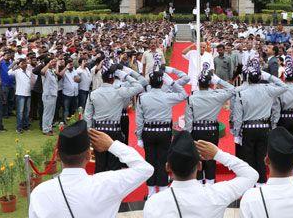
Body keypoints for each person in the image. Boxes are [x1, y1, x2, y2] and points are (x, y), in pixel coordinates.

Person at [29, 120, 154, 218]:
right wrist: (112, 145)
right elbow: (145, 169)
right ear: (89, 155)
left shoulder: (40, 193)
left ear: (57, 156)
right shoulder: (106, 183)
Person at [143, 132, 258, 218]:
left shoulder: (154, 203)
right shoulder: (217, 194)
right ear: (199, 166)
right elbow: (251, 175)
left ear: (168, 167)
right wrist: (218, 154)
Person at [232, 58, 289, 185]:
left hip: (248, 128)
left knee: (249, 158)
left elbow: (237, 116)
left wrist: (236, 133)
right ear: (260, 77)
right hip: (264, 127)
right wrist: (268, 76)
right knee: (262, 157)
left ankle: (251, 183)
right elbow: (284, 86)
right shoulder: (268, 89)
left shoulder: (241, 92)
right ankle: (262, 183)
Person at [83, 60, 144, 173]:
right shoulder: (119, 91)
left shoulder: (93, 93)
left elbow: (87, 116)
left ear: (102, 78)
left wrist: (90, 132)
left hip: (98, 130)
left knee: (100, 164)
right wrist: (125, 75)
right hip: (114, 130)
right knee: (114, 165)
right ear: (113, 79)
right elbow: (140, 86)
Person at [136, 66, 188, 196]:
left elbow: (139, 119)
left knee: (150, 160)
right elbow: (184, 94)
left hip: (148, 131)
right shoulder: (167, 96)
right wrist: (171, 82)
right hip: (164, 132)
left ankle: (151, 191)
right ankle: (163, 188)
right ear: (162, 83)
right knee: (163, 159)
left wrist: (139, 137)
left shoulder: (142, 97)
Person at [184, 66, 235, 184]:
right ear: (210, 83)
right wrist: (218, 80)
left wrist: (188, 134)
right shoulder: (216, 95)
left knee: (197, 157)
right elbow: (233, 90)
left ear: (198, 83)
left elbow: (188, 119)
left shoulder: (191, 98)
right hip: (211, 130)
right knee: (211, 156)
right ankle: (210, 182)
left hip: (196, 130)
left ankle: (199, 182)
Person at [8, 58, 32, 133]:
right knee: (20, 112)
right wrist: (15, 63)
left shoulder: (29, 71)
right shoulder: (17, 71)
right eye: (23, 63)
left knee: (27, 111)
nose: (25, 64)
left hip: (28, 94)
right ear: (20, 65)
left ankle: (26, 126)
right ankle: (19, 128)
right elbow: (9, 72)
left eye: (25, 63)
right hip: (20, 94)